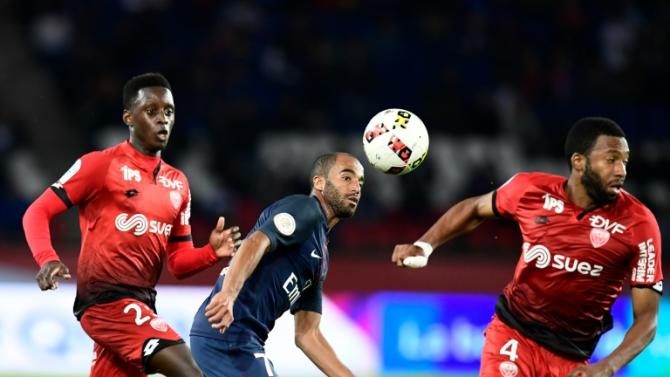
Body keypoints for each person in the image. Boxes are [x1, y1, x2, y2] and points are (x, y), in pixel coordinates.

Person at [392, 117, 662, 377]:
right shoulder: (530, 190)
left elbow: (647, 319)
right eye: (611, 160)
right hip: (514, 333)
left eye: (624, 162)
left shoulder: (639, 224)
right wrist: (423, 245)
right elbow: (474, 208)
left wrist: (608, 366)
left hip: (573, 357)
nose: (621, 171)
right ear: (579, 162)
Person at [22, 72, 241, 377]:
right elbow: (36, 211)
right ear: (129, 117)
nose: (162, 119)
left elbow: (178, 263)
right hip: (106, 302)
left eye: (168, 111)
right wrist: (48, 259)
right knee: (191, 373)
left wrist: (211, 252)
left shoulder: (178, 183)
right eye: (151, 111)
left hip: (143, 303)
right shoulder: (100, 165)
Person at [190, 152, 364, 377]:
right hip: (228, 337)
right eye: (347, 177)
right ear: (319, 182)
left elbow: (307, 334)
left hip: (235, 341)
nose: (356, 188)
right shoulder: (306, 210)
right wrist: (228, 295)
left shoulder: (320, 257)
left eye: (360, 182)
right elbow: (256, 241)